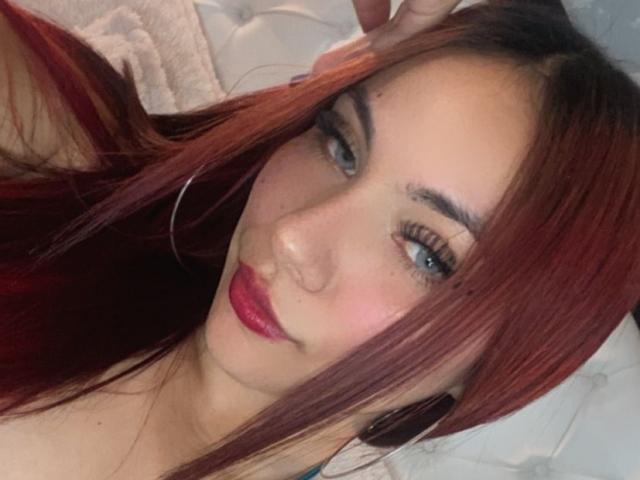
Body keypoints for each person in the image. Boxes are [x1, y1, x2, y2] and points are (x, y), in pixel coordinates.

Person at [0, 1, 637, 480]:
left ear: (501, 364)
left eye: (426, 253)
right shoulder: (97, 183)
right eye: (341, 145)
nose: (290, 238)